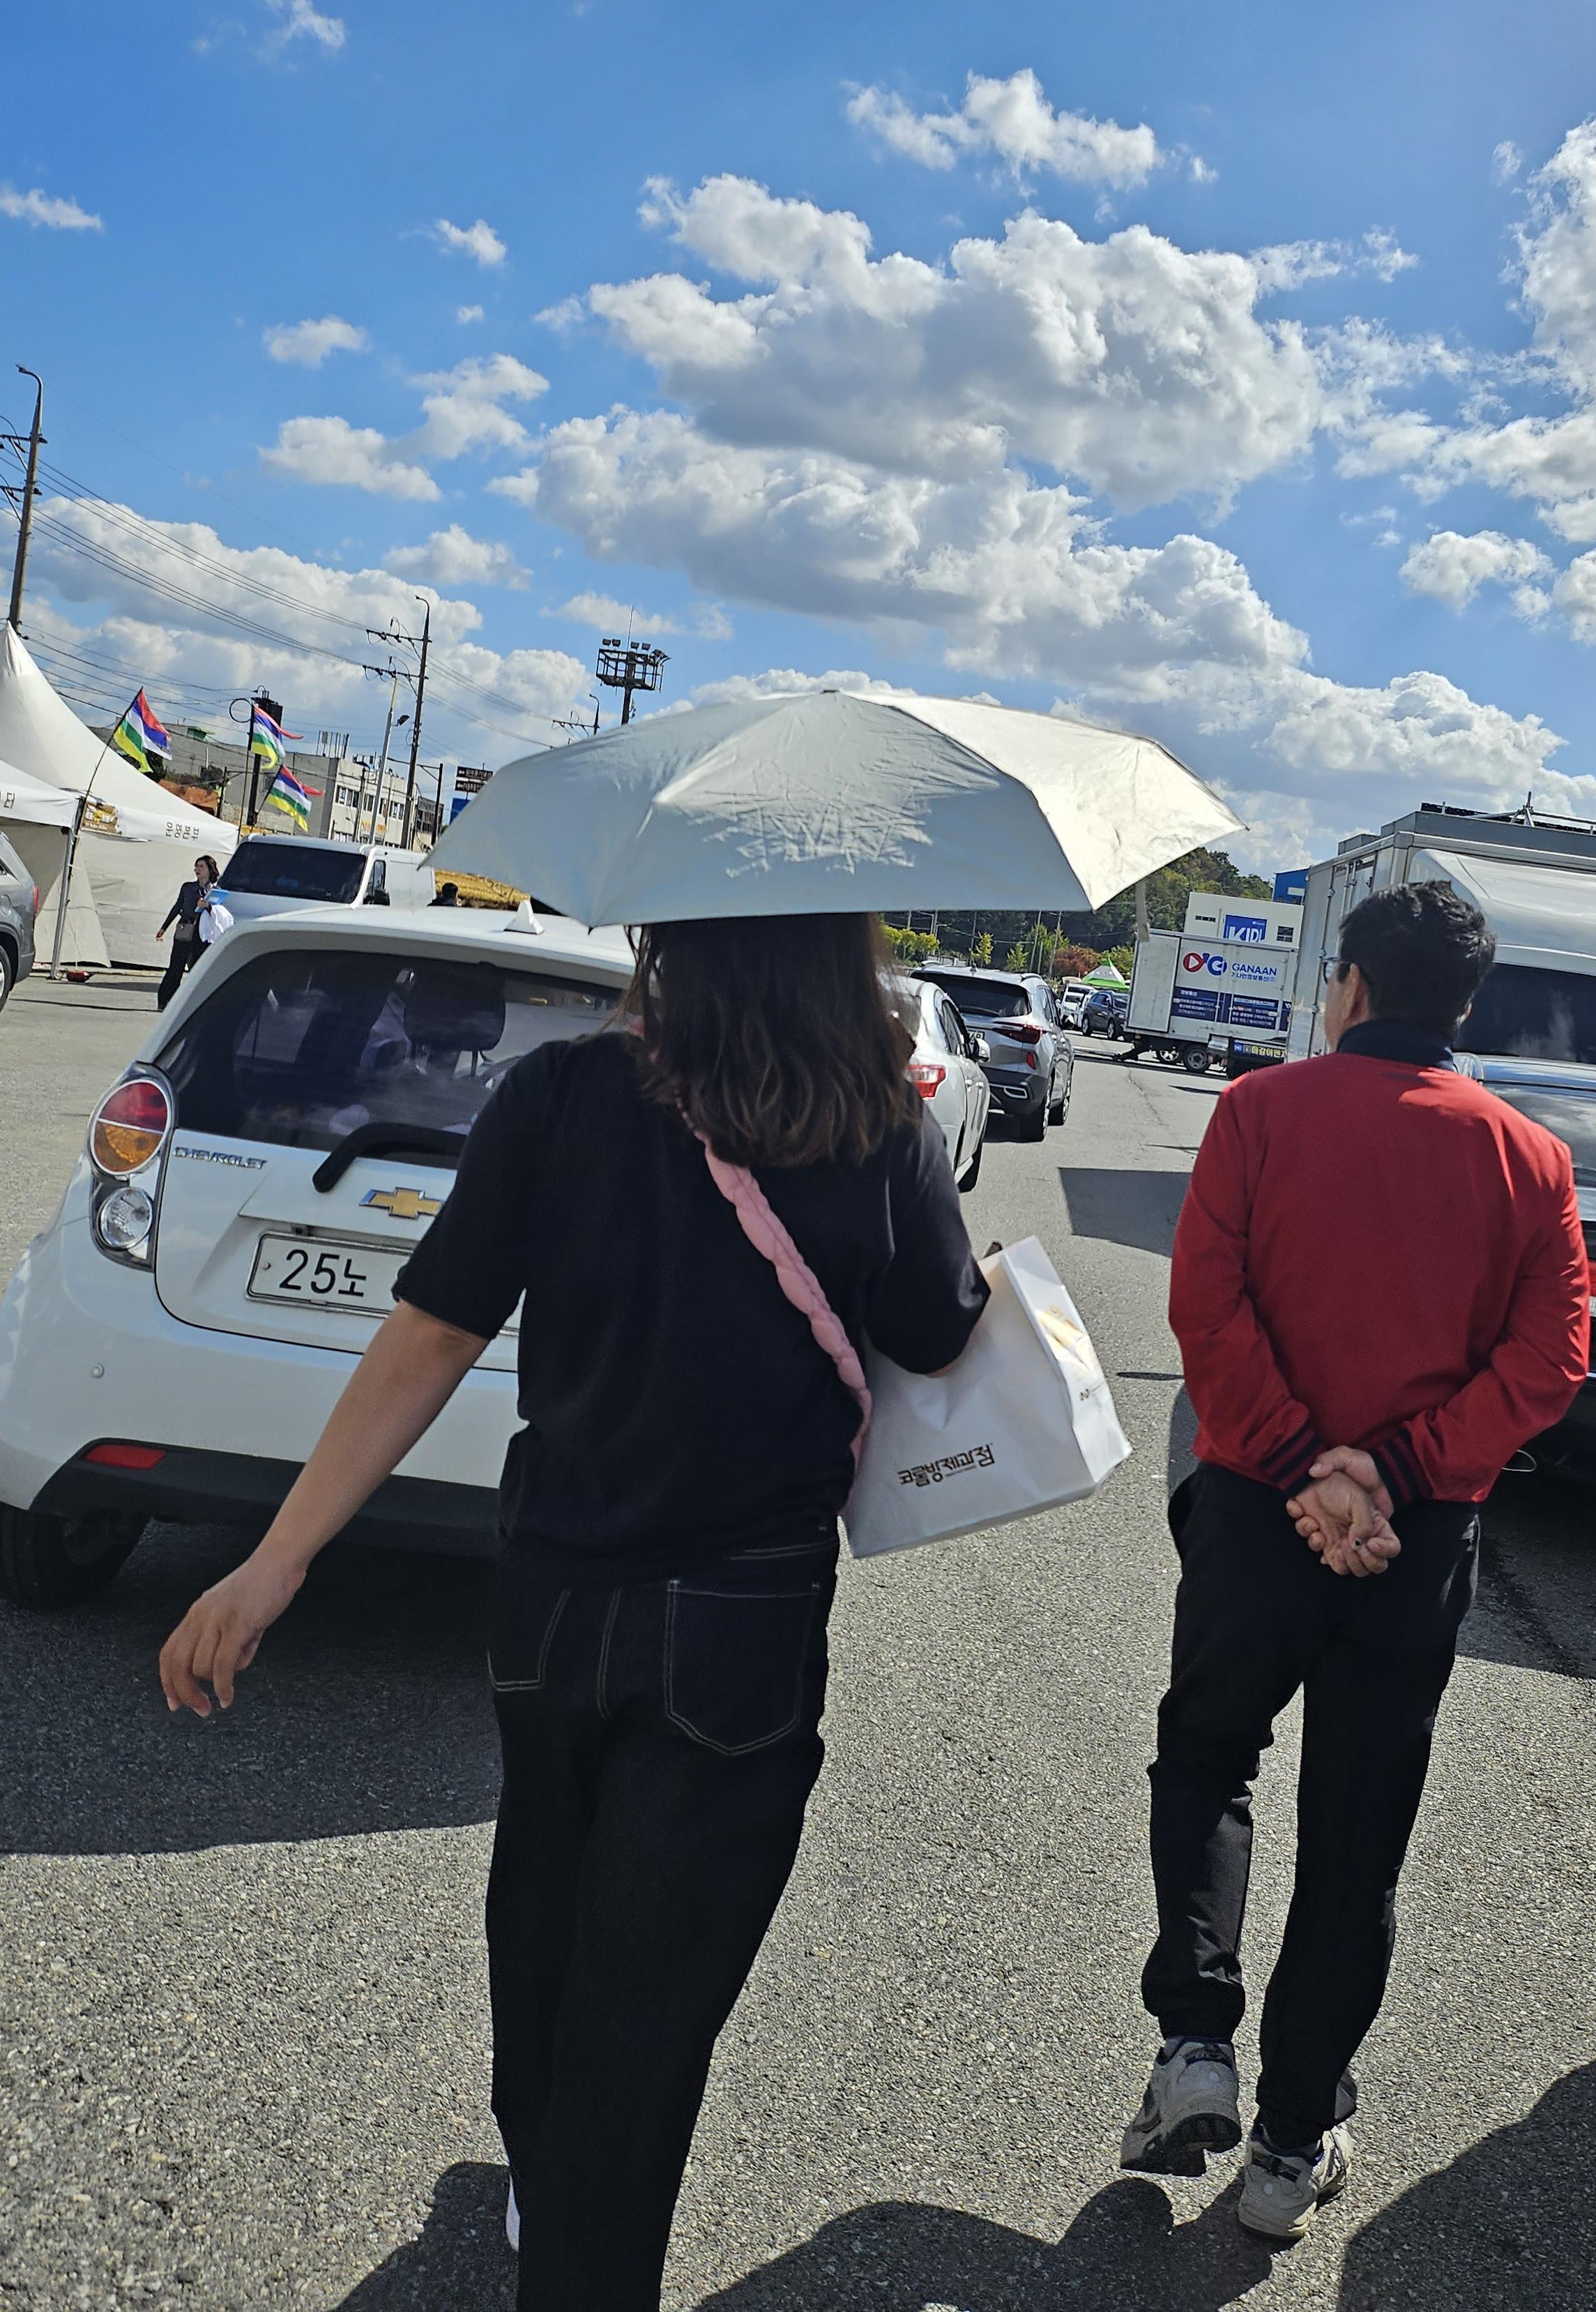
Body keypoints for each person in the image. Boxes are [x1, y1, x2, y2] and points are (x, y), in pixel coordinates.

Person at [158, 912, 989, 2311]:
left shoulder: (560, 1094)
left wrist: (277, 1559)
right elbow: (940, 1330)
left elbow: (436, 1328)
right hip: (743, 1621)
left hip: (554, 1598)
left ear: (672, 936)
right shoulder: (876, 1123)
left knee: (542, 1900)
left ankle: (542, 2171)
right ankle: (580, 2229)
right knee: (647, 2017)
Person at [1121, 882, 1588, 2242]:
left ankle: (1194, 2043)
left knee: (1208, 1758)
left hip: (1253, 1511)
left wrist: (1299, 1461)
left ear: (1355, 986)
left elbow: (1206, 1302)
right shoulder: (1531, 1161)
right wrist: (1397, 1472)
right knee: (1357, 1837)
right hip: (1415, 1539)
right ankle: (1288, 2147)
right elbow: (1552, 1358)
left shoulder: (1259, 1112)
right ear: (1463, 1005)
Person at [153, 854, 220, 1006]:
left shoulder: (215, 891)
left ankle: (193, 1002)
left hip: (202, 932)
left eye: (201, 866)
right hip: (185, 927)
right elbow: (177, 907)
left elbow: (219, 912)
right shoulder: (188, 887)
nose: (197, 869)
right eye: (196, 866)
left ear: (210, 869)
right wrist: (164, 927)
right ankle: (165, 1000)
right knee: (176, 966)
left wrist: (208, 906)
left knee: (198, 968)